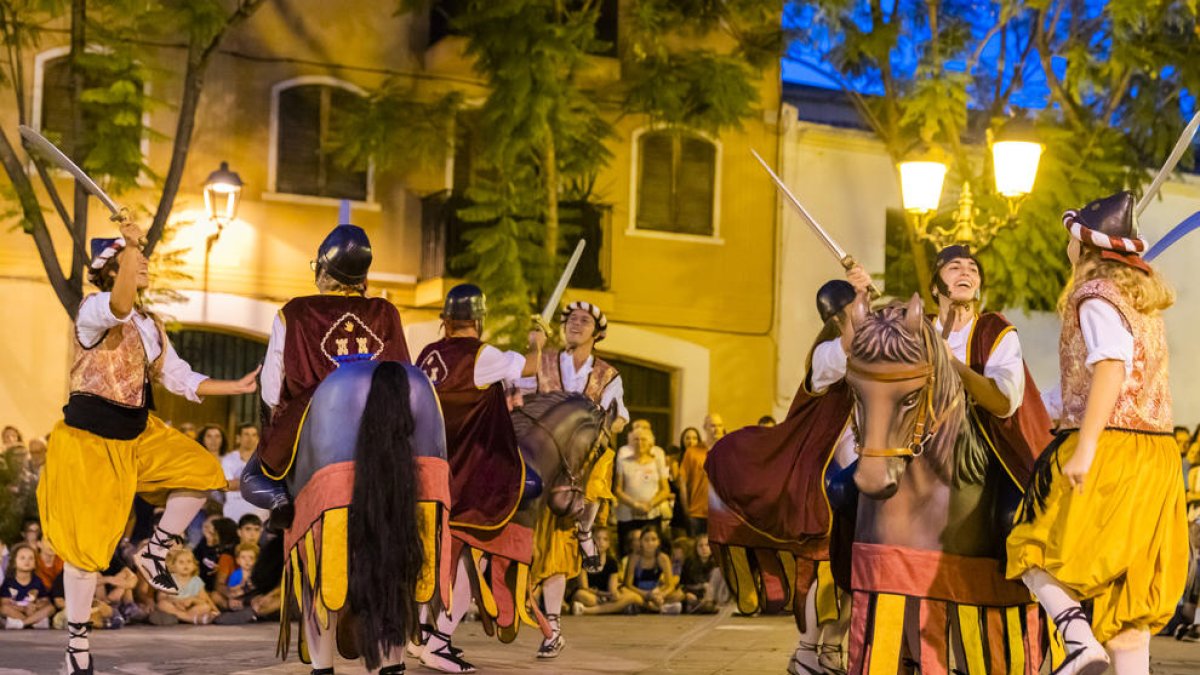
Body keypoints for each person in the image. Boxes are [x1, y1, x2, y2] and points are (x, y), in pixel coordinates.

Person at [37, 221, 259, 675]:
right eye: (136, 258)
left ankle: (154, 550)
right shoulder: (94, 309)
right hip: (90, 442)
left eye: (143, 257)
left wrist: (234, 385)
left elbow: (178, 375)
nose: (144, 263)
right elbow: (118, 306)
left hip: (138, 435)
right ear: (111, 267)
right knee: (86, 552)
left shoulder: (150, 325)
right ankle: (77, 645)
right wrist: (132, 241)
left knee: (202, 471)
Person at [1007, 191, 1188, 675]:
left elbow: (1110, 367)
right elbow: (1093, 379)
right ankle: (1097, 645)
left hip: (1113, 447)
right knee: (1126, 605)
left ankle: (1076, 638)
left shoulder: (1094, 297)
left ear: (1082, 247)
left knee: (1030, 545)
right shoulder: (1139, 303)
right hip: (1156, 457)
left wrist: (1084, 447)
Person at [241, 224, 410, 530]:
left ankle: (280, 502)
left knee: (252, 477)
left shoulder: (295, 311)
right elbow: (403, 371)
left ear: (322, 269)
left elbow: (271, 387)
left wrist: (271, 428)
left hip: (315, 414)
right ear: (363, 277)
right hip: (381, 420)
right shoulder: (386, 312)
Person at [415, 283, 544, 673]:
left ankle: (421, 637)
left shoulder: (426, 355)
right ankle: (437, 644)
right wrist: (538, 341)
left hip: (428, 472)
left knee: (431, 559)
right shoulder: (481, 355)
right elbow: (532, 370)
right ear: (478, 319)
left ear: (446, 320)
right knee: (472, 557)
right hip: (469, 476)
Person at [520, 300, 628, 659]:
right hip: (545, 463)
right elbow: (517, 388)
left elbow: (619, 418)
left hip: (582, 464)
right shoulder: (547, 361)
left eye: (583, 321)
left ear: (597, 334)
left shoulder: (608, 375)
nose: (575, 325)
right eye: (570, 320)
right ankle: (549, 629)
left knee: (602, 463)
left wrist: (597, 435)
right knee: (544, 549)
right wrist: (533, 346)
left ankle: (585, 528)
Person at [614, 426, 671, 555]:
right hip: (627, 515)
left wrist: (649, 505)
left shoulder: (657, 462)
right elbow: (617, 489)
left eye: (643, 439)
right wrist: (635, 505)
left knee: (652, 551)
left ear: (650, 443)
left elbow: (665, 490)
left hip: (651, 514)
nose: (639, 443)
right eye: (636, 439)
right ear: (630, 442)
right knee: (626, 550)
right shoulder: (623, 462)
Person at [619, 526, 682, 614]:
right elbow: (628, 584)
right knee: (627, 594)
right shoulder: (634, 557)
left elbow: (670, 585)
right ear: (641, 542)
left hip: (656, 592)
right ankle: (657, 608)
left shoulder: (663, 558)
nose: (650, 543)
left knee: (679, 594)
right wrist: (646, 594)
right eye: (646, 540)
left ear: (658, 542)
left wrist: (661, 595)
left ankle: (651, 606)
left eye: (653, 539)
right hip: (638, 593)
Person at [153, 548, 219, 625]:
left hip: (190, 609)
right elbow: (160, 597)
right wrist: (175, 601)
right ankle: (191, 619)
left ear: (194, 565)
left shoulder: (196, 581)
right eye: (181, 562)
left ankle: (181, 617)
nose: (186, 565)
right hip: (174, 606)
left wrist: (193, 600)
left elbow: (204, 599)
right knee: (162, 604)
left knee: (205, 607)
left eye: (189, 561)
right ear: (173, 566)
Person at [221, 424, 267, 524]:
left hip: (260, 515)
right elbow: (227, 485)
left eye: (254, 435)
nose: (250, 438)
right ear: (238, 438)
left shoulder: (267, 460)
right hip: (233, 514)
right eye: (246, 434)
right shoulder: (228, 460)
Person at [1, 543, 53, 629]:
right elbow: (4, 603)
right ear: (14, 562)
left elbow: (45, 601)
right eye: (22, 558)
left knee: (50, 608)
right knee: (4, 609)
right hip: (17, 612)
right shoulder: (9, 582)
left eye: (31, 558)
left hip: (32, 611)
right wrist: (23, 608)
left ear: (35, 563)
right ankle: (32, 622)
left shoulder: (37, 581)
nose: (27, 561)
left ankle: (23, 623)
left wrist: (36, 606)